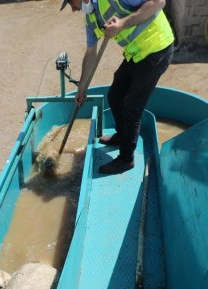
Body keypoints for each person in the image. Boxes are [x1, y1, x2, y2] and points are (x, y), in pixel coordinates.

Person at [61, 0, 174, 174]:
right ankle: (122, 135)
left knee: (132, 107)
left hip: (157, 47)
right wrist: (81, 88)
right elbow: (91, 54)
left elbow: (159, 2)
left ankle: (126, 159)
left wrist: (122, 23)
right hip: (136, 52)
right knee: (115, 95)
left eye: (71, 3)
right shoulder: (91, 20)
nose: (73, 9)